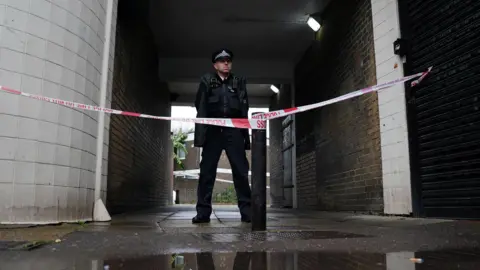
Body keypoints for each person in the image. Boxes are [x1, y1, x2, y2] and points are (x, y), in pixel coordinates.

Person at [192, 48, 252, 224]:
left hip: (234, 130)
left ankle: (247, 211)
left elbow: (244, 108)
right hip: (213, 130)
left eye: (228, 60)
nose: (226, 63)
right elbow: (200, 105)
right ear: (215, 64)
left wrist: (244, 134)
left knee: (241, 171)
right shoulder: (207, 80)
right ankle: (203, 213)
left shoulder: (238, 81)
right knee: (207, 172)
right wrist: (202, 134)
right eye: (222, 60)